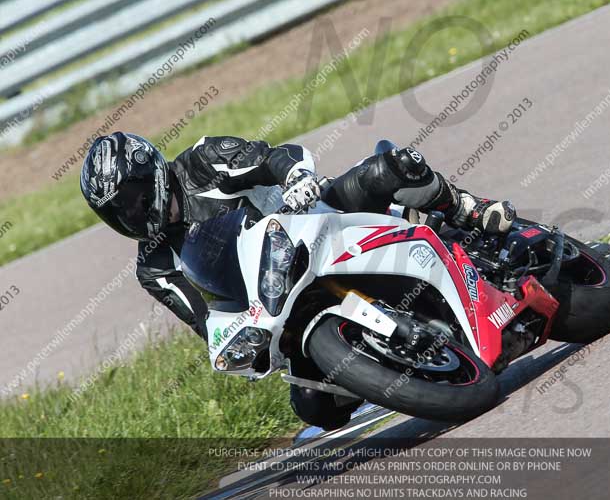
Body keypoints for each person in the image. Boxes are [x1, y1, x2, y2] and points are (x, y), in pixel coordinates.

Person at [80, 132, 516, 429]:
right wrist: (243, 347)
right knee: (315, 408)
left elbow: (271, 157)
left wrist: (295, 178)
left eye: (133, 201)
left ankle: (467, 209)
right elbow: (206, 321)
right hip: (279, 305)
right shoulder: (153, 266)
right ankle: (396, 365)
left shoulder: (200, 163)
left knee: (389, 168)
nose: (132, 216)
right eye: (117, 214)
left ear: (151, 174)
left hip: (320, 219)